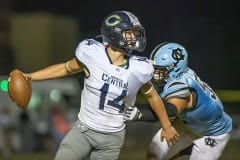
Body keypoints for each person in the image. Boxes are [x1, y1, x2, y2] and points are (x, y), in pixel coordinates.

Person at [16, 11, 179, 160]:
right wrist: (30, 77)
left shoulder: (139, 68)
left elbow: (153, 96)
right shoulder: (92, 54)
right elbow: (65, 68)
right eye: (129, 32)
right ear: (114, 33)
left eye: (135, 33)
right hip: (83, 130)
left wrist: (166, 126)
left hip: (112, 139)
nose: (134, 38)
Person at [124, 42, 232, 160]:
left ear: (175, 69)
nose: (154, 73)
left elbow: (169, 111)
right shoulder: (177, 75)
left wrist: (138, 113)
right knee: (154, 154)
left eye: (160, 69)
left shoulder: (181, 85)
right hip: (185, 124)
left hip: (212, 134)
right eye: (154, 68)